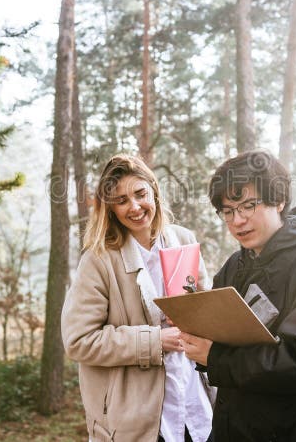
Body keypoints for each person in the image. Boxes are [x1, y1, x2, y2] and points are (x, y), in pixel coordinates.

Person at [180, 150, 296, 442]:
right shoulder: (234, 267)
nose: (238, 220)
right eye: (228, 211)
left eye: (249, 205)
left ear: (279, 200)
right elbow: (223, 338)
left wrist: (216, 359)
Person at [62, 154, 213, 442]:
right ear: (110, 209)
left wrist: (197, 315)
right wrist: (155, 341)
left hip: (196, 409)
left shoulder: (183, 240)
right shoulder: (99, 261)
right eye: (121, 200)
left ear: (153, 192)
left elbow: (206, 309)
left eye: (140, 194)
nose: (134, 206)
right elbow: (78, 340)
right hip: (139, 423)